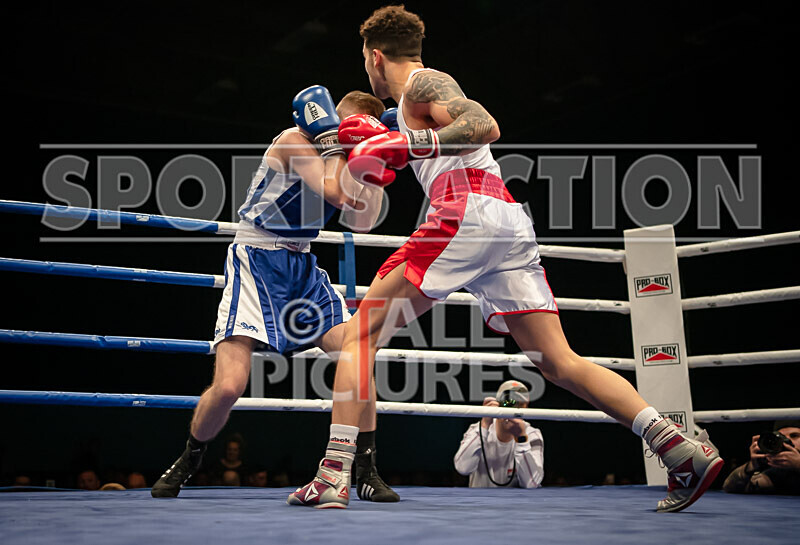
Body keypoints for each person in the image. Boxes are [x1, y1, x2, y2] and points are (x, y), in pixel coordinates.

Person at [289, 5, 723, 512]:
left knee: (360, 335)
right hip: (504, 223)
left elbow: (484, 123)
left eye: (365, 62)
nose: (367, 71)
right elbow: (367, 174)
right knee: (559, 362)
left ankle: (332, 476)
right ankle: (679, 450)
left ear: (375, 55)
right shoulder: (399, 109)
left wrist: (406, 140)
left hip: (465, 212)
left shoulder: (426, 83)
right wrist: (359, 138)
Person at [151, 87, 398, 503]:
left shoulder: (347, 159)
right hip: (257, 256)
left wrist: (376, 161)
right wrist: (336, 142)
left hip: (302, 266)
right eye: (340, 125)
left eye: (352, 131)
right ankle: (189, 458)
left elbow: (365, 221)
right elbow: (334, 194)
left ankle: (367, 470)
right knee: (230, 385)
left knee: (357, 354)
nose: (342, 132)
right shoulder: (294, 140)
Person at [454, 381, 544, 488]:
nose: (513, 409)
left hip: (515, 503)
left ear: (525, 408)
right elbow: (462, 468)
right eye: (508, 402)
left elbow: (532, 483)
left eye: (519, 404)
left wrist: (521, 439)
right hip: (480, 502)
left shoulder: (532, 435)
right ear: (498, 403)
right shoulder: (477, 430)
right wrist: (484, 425)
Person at [723, 420, 800, 495]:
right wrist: (751, 466)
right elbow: (730, 487)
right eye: (781, 437)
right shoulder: (775, 474)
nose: (787, 441)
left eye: (794, 436)